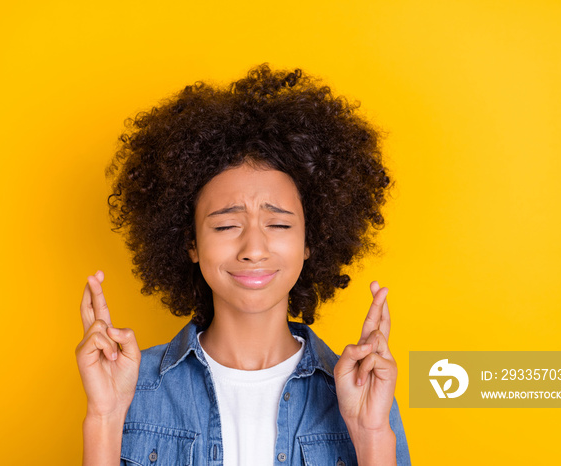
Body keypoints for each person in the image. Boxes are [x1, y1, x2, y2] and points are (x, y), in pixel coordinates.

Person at [76, 64, 411, 465]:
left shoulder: (365, 391)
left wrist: (371, 432)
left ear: (310, 240)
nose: (254, 248)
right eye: (227, 224)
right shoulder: (130, 388)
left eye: (279, 223)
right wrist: (105, 417)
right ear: (191, 243)